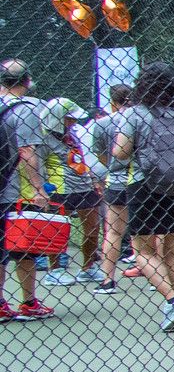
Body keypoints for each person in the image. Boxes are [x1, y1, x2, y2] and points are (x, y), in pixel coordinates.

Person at [110, 61, 174, 333]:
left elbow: (120, 153)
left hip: (147, 186)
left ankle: (173, 300)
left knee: (142, 249)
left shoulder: (135, 113)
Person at [1, 59, 56, 320]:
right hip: (13, 189)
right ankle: (29, 301)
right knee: (24, 246)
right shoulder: (24, 109)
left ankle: (1, 303)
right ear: (27, 81)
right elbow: (27, 152)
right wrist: (38, 189)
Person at [39, 99, 105, 288]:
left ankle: (88, 267)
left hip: (84, 185)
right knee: (58, 231)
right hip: (60, 188)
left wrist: (92, 179)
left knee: (93, 229)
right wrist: (43, 189)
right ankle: (55, 270)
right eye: (69, 119)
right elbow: (37, 164)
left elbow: (81, 157)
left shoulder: (73, 134)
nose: (73, 122)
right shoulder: (43, 137)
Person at [88, 86, 136, 295]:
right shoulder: (141, 119)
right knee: (148, 231)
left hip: (116, 179)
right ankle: (153, 273)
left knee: (114, 231)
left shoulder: (102, 124)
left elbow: (101, 156)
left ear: (112, 102)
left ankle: (108, 279)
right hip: (141, 179)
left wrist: (113, 166)